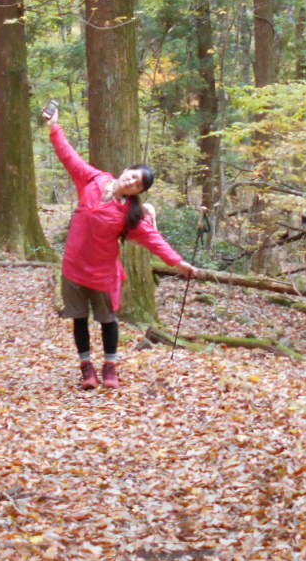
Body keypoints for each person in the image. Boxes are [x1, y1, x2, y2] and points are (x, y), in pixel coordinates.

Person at [44, 102, 196, 390]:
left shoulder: (131, 215)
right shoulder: (92, 179)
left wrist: (179, 263)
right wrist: (55, 126)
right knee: (78, 318)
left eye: (137, 183)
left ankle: (110, 366)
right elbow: (69, 156)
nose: (131, 180)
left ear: (138, 191)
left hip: (101, 273)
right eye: (132, 174)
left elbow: (155, 241)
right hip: (73, 268)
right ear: (125, 170)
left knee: (107, 320)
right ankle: (86, 366)